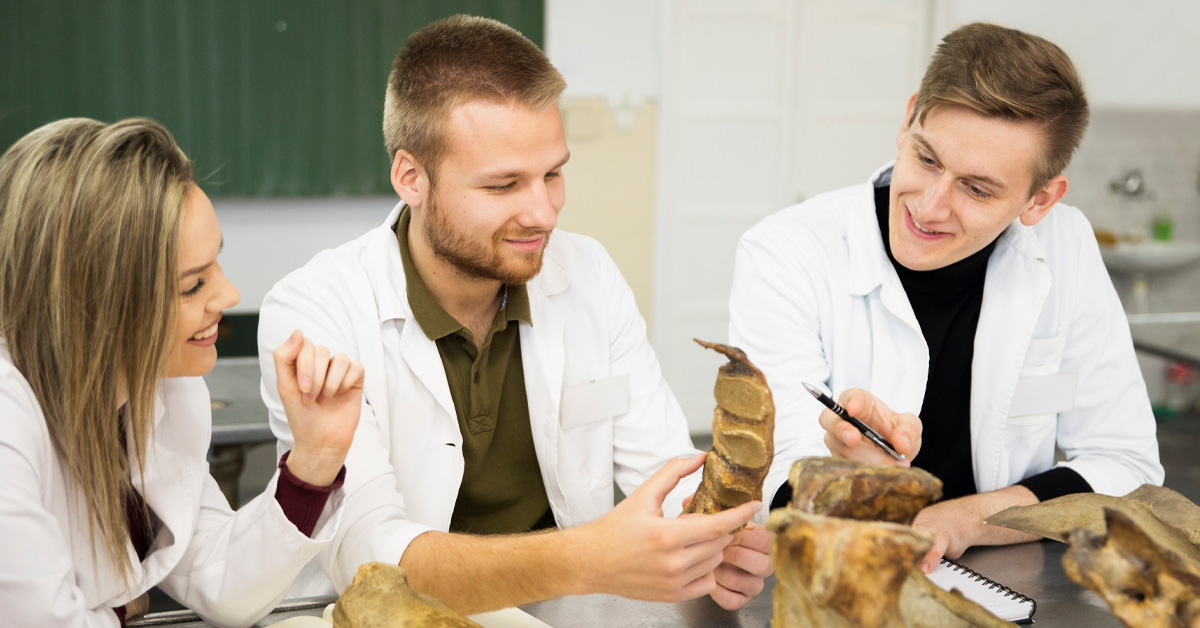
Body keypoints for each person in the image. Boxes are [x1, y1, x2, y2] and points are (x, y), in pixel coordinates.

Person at [257, 15, 772, 613]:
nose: (545, 214)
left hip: (566, 605)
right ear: (410, 177)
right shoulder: (317, 311)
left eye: (553, 173)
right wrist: (588, 558)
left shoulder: (590, 274)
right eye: (503, 186)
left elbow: (665, 471)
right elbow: (370, 560)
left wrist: (710, 542)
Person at [729, 22, 1163, 573]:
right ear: (908, 119)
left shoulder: (1065, 246)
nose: (929, 207)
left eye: (977, 189)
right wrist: (853, 477)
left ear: (1040, 199)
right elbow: (776, 473)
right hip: (836, 573)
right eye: (927, 159)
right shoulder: (787, 249)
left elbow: (1127, 464)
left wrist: (962, 520)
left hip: (1001, 575)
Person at [0, 118, 364, 627]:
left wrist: (314, 464)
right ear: (96, 303)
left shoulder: (160, 392)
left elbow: (217, 577)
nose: (230, 296)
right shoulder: (10, 420)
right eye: (193, 286)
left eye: (216, 264)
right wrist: (114, 609)